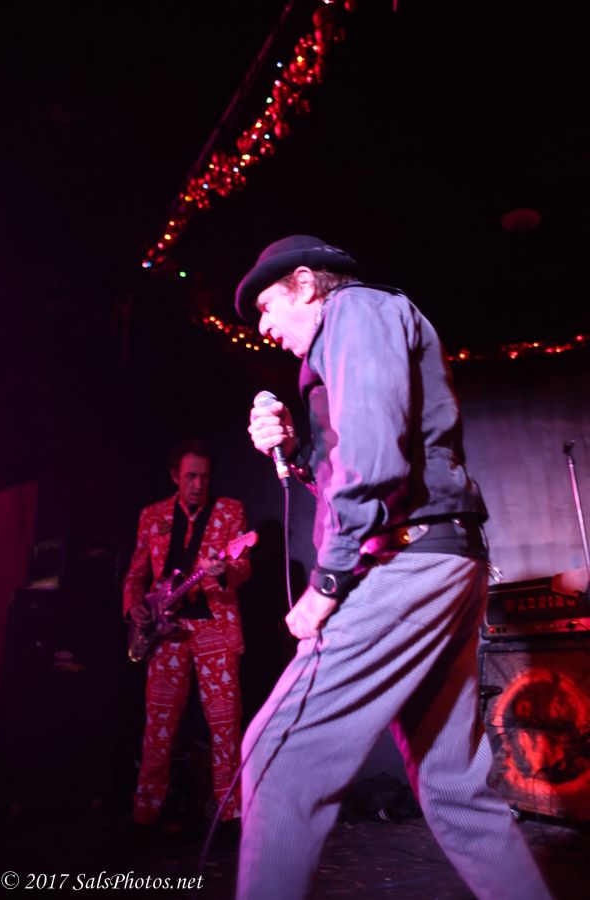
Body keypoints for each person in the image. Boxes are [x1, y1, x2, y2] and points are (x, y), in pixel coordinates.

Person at [233, 235, 551, 899]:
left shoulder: (356, 310)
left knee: (278, 755)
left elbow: (375, 466)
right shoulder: (352, 336)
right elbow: (368, 466)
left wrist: (329, 580)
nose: (263, 327)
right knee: (454, 787)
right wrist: (296, 451)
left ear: (305, 284)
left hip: (408, 561)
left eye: (266, 307)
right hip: (441, 558)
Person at [123, 438, 250, 830]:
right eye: (191, 476)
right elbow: (135, 574)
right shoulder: (153, 515)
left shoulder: (230, 511)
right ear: (175, 476)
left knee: (225, 723)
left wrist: (225, 571)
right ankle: (146, 811)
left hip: (214, 626)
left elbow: (243, 566)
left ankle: (230, 814)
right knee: (158, 725)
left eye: (205, 477)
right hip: (166, 632)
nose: (198, 484)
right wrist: (134, 606)